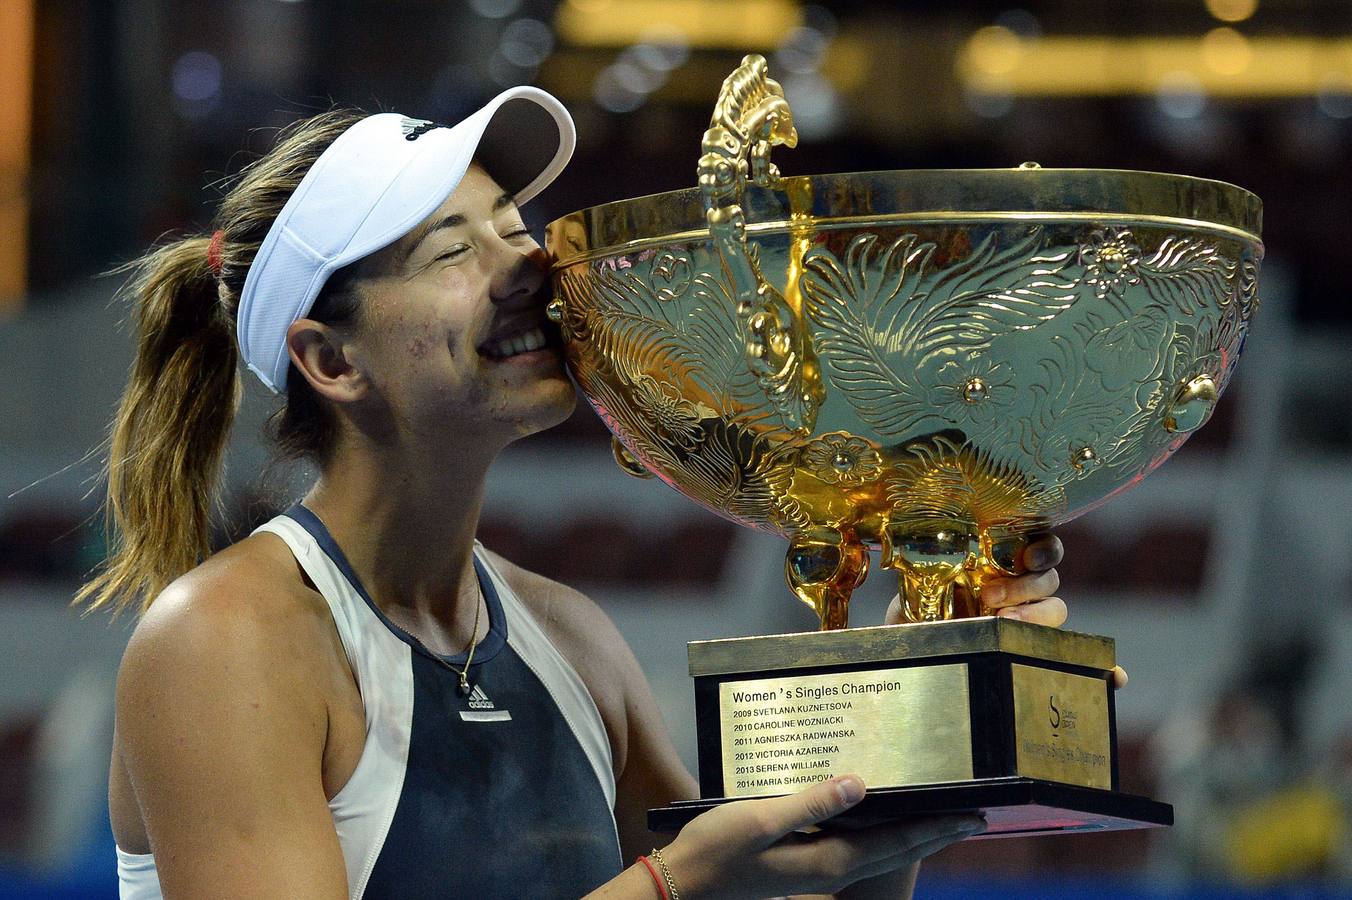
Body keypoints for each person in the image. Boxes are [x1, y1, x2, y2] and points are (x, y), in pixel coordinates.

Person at [83, 86, 1073, 899]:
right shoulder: (221, 640)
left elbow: (792, 891)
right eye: (453, 250)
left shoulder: (568, 637)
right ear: (331, 361)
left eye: (514, 227)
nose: (530, 260)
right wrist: (666, 887)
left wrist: (916, 689)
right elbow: (683, 886)